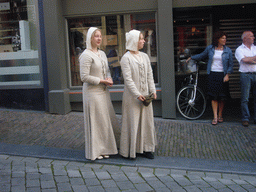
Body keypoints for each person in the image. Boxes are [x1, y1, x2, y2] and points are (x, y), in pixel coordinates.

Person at [79, 27, 120, 160]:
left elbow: (107, 70)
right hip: (92, 92)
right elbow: (84, 77)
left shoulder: (102, 53)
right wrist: (101, 80)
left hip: (103, 91)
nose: (99, 38)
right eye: (96, 36)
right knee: (96, 121)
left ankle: (105, 147)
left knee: (104, 120)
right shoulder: (85, 55)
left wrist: (109, 78)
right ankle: (97, 150)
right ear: (90, 38)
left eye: (100, 36)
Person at [119, 29, 157, 159]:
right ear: (134, 41)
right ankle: (131, 149)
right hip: (132, 98)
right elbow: (128, 79)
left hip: (145, 96)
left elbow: (149, 75)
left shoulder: (145, 56)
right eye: (141, 38)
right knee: (133, 121)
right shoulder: (126, 58)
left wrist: (152, 90)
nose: (143, 41)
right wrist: (136, 94)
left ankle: (147, 148)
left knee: (146, 122)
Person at [186, 31, 233, 125]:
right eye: (223, 38)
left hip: (222, 75)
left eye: (225, 38)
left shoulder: (228, 50)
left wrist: (227, 74)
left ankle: (220, 115)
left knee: (222, 97)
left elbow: (231, 65)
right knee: (214, 96)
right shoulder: (210, 48)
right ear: (218, 39)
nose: (225, 40)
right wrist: (192, 58)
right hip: (212, 74)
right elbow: (202, 55)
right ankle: (215, 117)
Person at [235, 31, 256, 127]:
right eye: (251, 36)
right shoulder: (239, 49)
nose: (253, 38)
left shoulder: (255, 48)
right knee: (245, 98)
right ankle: (245, 118)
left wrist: (249, 59)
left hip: (255, 74)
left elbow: (247, 60)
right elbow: (244, 60)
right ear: (245, 39)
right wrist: (252, 59)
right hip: (245, 75)